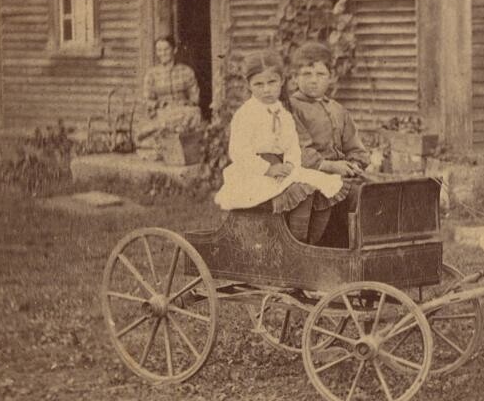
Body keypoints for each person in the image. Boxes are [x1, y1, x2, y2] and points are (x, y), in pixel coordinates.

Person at [213, 51, 343, 239]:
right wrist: (268, 168)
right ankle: (296, 245)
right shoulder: (246, 114)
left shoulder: (283, 114)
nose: (266, 90)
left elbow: (292, 147)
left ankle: (311, 245)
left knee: (326, 186)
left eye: (272, 82)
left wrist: (291, 164)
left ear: (281, 81)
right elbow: (239, 152)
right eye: (259, 84)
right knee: (302, 192)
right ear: (249, 84)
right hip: (253, 173)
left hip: (282, 168)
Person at [284, 41, 368, 244]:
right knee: (356, 195)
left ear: (331, 77)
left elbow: (354, 146)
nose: (314, 81)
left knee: (376, 191)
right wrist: (330, 166)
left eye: (320, 74)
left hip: (342, 174)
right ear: (295, 78)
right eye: (307, 74)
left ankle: (364, 247)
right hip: (311, 173)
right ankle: (323, 247)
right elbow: (298, 149)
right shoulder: (291, 108)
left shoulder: (338, 109)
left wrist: (355, 164)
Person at [134, 35, 202, 153]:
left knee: (195, 112)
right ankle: (163, 134)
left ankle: (164, 134)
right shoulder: (152, 74)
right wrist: (159, 104)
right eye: (159, 50)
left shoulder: (186, 71)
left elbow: (195, 97)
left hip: (182, 112)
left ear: (174, 50)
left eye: (166, 49)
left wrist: (186, 102)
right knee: (162, 120)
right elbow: (147, 99)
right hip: (162, 112)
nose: (162, 53)